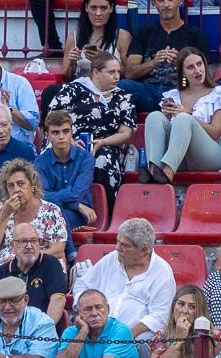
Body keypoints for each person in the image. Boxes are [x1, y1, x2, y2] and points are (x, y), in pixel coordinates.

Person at [46, 52, 136, 204]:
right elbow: (53, 118)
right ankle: (56, 206)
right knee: (55, 150)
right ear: (96, 72)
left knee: (103, 161)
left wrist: (103, 142)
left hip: (106, 145)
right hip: (68, 140)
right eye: (111, 72)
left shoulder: (124, 97)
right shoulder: (73, 89)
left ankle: (104, 213)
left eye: (118, 72)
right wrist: (70, 140)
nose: (117, 77)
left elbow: (125, 133)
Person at [0, 159, 70, 298]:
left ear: (32, 186)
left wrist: (26, 259)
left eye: (21, 184)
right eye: (11, 186)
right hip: (9, 261)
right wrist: (5, 215)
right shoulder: (5, 212)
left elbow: (58, 249)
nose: (16, 190)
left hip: (43, 259)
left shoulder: (51, 210)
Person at [143, 47, 221, 185]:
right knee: (154, 117)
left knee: (184, 118)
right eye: (190, 67)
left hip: (210, 155)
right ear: (183, 73)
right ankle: (153, 171)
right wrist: (167, 115)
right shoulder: (173, 95)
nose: (197, 70)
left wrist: (187, 114)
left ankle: (167, 174)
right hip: (179, 158)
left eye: (199, 64)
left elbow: (216, 132)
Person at [73, 217, 177, 338]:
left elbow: (159, 317)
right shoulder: (111, 259)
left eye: (125, 245)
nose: (117, 248)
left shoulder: (162, 273)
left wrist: (126, 336)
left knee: (143, 340)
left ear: (143, 250)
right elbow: (82, 284)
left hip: (134, 336)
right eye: (118, 242)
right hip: (94, 327)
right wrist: (82, 309)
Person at [118, 0, 210, 115]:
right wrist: (153, 63)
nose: (166, 5)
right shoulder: (144, 33)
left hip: (182, 90)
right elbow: (129, 73)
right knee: (123, 85)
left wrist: (180, 64)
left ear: (180, 1)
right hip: (150, 92)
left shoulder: (195, 34)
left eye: (170, 0)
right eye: (161, 0)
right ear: (154, 3)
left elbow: (204, 75)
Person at [0, 222, 67, 323]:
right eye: (23, 241)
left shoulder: (51, 264)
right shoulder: (1, 272)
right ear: (12, 245)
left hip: (42, 331)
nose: (29, 246)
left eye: (33, 241)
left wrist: (44, 329)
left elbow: (58, 299)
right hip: (8, 332)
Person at [48, 289, 141, 358]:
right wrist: (83, 331)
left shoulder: (121, 330)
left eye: (99, 307)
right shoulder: (71, 332)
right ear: (79, 315)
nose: (94, 313)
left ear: (108, 309)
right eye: (87, 309)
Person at [34, 111, 97, 235]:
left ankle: (69, 252)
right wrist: (77, 204)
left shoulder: (86, 159)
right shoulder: (39, 163)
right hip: (52, 211)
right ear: (47, 136)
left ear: (71, 133)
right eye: (55, 132)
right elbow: (42, 196)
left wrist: (75, 204)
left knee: (56, 219)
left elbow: (76, 193)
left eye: (65, 131)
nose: (61, 136)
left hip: (80, 214)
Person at [58, 0, 131, 87]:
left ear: (111, 8)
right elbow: (65, 77)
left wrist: (105, 59)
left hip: (110, 90)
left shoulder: (122, 36)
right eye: (93, 8)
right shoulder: (74, 37)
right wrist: (71, 62)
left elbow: (129, 73)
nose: (98, 13)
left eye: (103, 8)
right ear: (86, 8)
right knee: (52, 90)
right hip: (81, 88)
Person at [144, 284, 208, 358]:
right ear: (173, 308)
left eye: (192, 307)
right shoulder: (160, 336)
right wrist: (179, 340)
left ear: (200, 312)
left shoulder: (213, 337)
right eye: (181, 304)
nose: (184, 311)